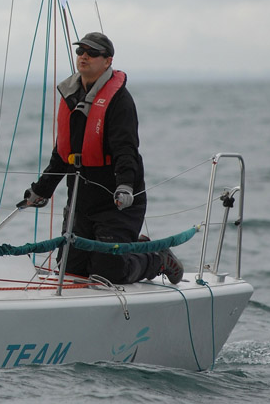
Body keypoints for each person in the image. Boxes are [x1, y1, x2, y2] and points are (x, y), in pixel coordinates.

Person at [17, 32, 184, 285]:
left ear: (107, 61)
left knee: (107, 274)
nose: (84, 56)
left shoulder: (120, 101)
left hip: (116, 202)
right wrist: (41, 191)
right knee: (72, 274)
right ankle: (130, 247)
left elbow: (126, 149)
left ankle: (156, 257)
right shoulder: (71, 96)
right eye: (80, 51)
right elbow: (62, 154)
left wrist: (125, 186)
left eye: (92, 53)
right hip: (80, 202)